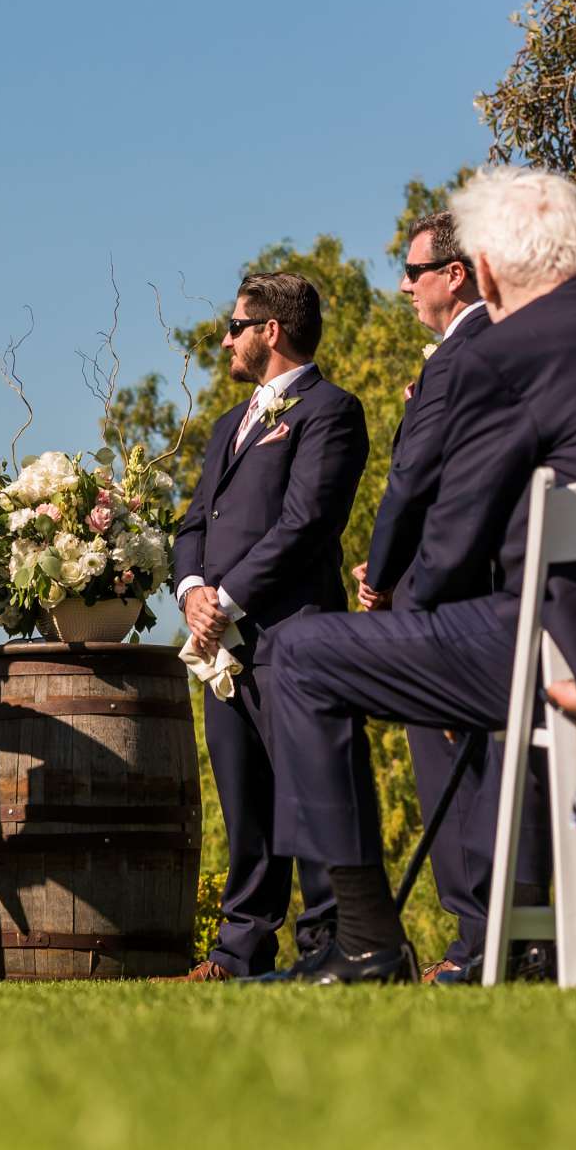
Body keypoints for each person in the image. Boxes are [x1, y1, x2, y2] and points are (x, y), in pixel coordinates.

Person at [265, 166, 576, 983]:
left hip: (561, 649)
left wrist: (420, 652)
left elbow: (453, 543)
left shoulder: (497, 353)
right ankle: (523, 935)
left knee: (304, 653)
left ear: (484, 273)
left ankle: (361, 941)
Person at [170, 273, 370, 980]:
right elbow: (196, 520)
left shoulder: (331, 411)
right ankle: (240, 947)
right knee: (244, 800)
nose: (224, 338)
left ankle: (329, 946)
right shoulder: (229, 425)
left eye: (234, 326)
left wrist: (227, 597)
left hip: (293, 637)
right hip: (221, 644)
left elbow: (306, 523)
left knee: (308, 795)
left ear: (270, 332)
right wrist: (191, 590)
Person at [357, 213, 495, 979]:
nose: (403, 286)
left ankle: (477, 942)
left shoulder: (455, 359)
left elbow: (411, 481)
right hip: (476, 588)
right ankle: (507, 935)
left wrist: (379, 574)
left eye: (414, 272)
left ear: (457, 274)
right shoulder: (480, 351)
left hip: (442, 595)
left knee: (450, 767)